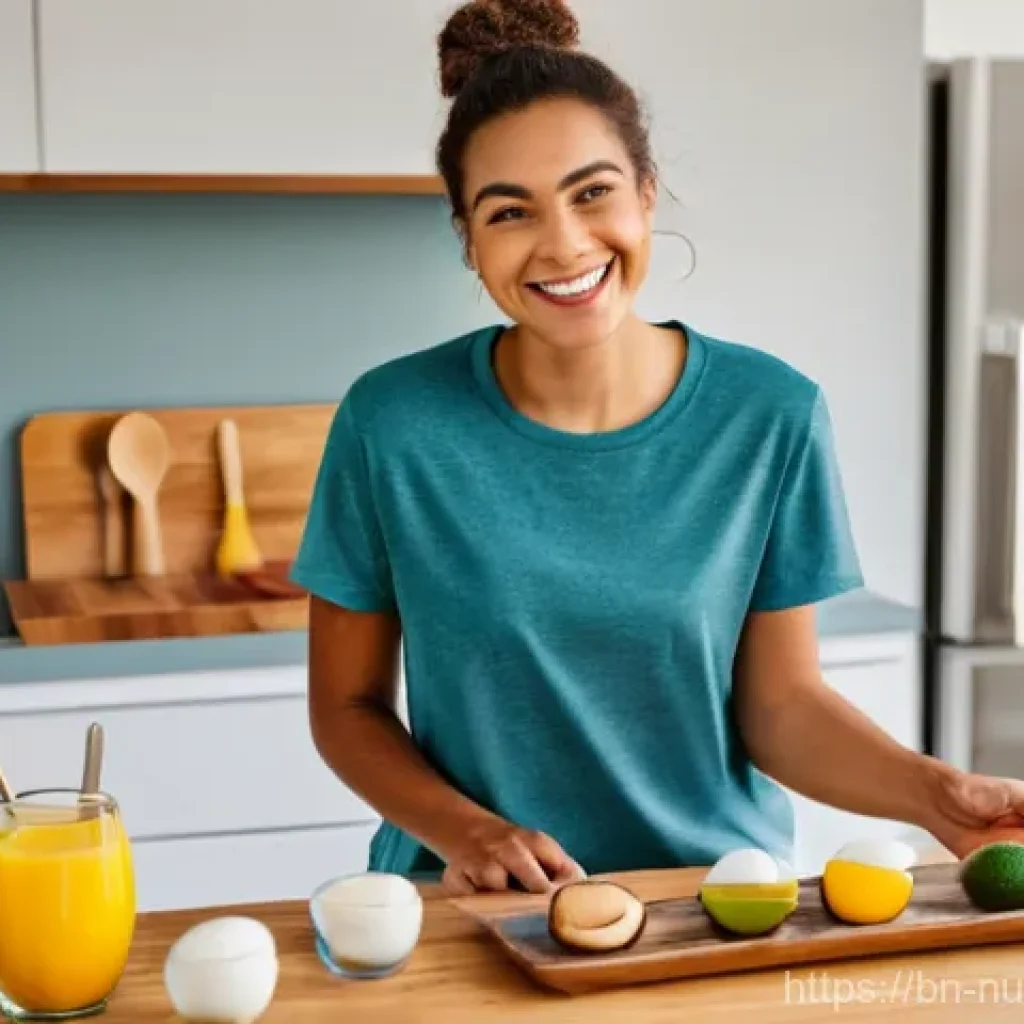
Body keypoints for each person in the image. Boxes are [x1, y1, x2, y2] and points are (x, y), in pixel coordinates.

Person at [290, 0, 1024, 896]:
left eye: (591, 192)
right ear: (468, 239)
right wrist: (468, 832)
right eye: (509, 211)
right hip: (472, 904)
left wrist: (936, 795)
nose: (563, 244)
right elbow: (346, 705)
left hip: (712, 901)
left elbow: (781, 706)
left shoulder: (770, 415)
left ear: (645, 190)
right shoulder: (392, 424)